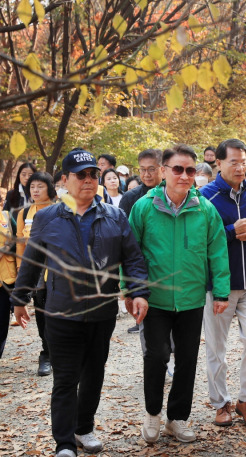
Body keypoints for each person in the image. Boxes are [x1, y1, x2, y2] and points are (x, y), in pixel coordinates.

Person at [11, 148, 149, 457]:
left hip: (101, 313)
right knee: (65, 378)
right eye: (81, 175)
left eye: (93, 175)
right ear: (64, 180)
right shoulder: (47, 217)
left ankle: (83, 428)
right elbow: (31, 263)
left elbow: (134, 261)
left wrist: (138, 292)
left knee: (93, 374)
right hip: (61, 312)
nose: (88, 180)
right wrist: (19, 299)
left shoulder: (115, 216)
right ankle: (63, 443)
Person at [129, 145, 230, 444]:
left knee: (187, 359)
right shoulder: (144, 207)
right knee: (156, 355)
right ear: (163, 172)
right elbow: (131, 252)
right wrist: (131, 290)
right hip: (155, 298)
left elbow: (218, 252)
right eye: (177, 169)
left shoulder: (205, 209)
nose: (184, 176)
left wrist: (221, 292)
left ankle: (177, 418)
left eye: (190, 170)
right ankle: (152, 415)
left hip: (191, 298)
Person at [200, 138, 246, 429]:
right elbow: (200, 239)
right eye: (234, 161)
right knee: (216, 347)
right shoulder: (205, 197)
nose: (241, 167)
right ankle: (220, 404)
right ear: (219, 163)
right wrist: (230, 231)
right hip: (218, 286)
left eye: (244, 161)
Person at [15, 172, 57, 376]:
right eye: (32, 187)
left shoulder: (60, 209)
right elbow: (20, 246)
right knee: (41, 311)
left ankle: (61, 353)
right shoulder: (24, 213)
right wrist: (20, 271)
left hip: (57, 269)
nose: (36, 190)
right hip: (35, 271)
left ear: (50, 187)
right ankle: (46, 354)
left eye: (40, 186)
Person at [119, 149, 164, 335]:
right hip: (140, 266)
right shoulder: (131, 197)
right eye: (142, 169)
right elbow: (123, 239)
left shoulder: (173, 194)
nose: (146, 174)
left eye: (151, 169)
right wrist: (125, 285)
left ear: (162, 168)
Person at [0, 208, 17, 361]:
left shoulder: (6, 216)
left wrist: (4, 249)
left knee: (2, 320)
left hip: (6, 277)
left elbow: (18, 239)